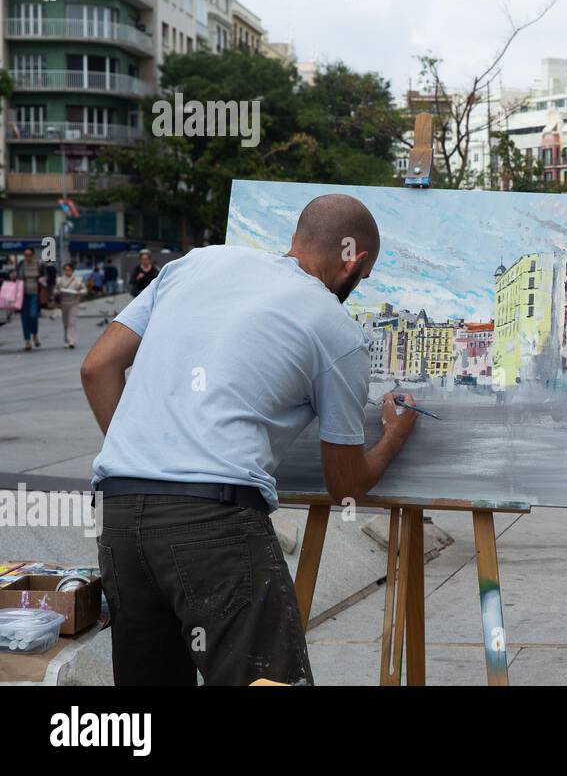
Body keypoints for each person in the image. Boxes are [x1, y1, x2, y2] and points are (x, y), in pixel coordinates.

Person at [81, 194, 419, 685]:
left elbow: (98, 367)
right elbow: (346, 486)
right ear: (356, 261)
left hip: (121, 515)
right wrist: (393, 435)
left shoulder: (198, 262)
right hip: (213, 528)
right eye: (361, 280)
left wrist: (153, 457)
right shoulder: (336, 329)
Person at [16, 246, 43, 350]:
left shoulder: (38, 264)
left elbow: (45, 276)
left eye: (29, 255)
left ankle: (35, 334)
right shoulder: (21, 264)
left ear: (33, 255)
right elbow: (17, 277)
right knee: (25, 318)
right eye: (25, 255)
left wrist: (42, 279)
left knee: (33, 315)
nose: (27, 257)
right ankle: (27, 341)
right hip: (22, 294)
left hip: (34, 293)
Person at [55, 262, 86, 349]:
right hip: (64, 303)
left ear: (72, 271)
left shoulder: (78, 280)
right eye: (65, 270)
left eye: (69, 270)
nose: (67, 272)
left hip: (74, 303)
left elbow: (84, 289)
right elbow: (55, 291)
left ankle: (72, 340)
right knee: (65, 323)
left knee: (71, 322)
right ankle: (66, 340)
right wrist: (58, 292)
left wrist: (80, 292)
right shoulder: (59, 280)